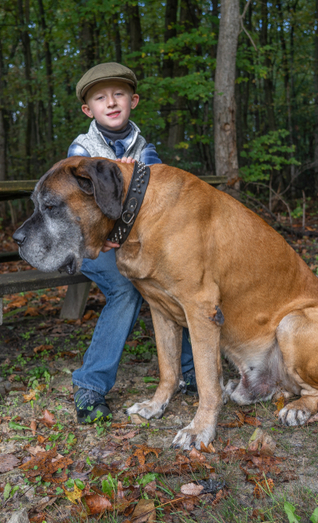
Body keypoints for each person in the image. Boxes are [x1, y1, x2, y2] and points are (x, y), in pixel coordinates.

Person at [67, 62, 196, 424]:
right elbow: (79, 207)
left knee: (177, 281)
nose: (111, 102)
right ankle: (90, 385)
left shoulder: (144, 147)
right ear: (87, 109)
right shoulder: (81, 150)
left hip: (136, 241)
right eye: (100, 97)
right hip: (94, 243)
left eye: (119, 94)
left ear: (133, 100)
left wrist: (139, 175)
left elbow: (162, 192)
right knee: (127, 288)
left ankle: (191, 373)